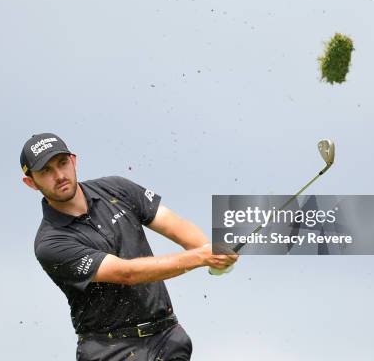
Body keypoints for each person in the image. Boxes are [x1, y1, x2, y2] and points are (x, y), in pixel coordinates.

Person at [20, 133, 238, 361]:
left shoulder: (116, 188)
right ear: (31, 182)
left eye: (63, 163)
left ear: (73, 160)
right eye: (46, 171)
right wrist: (201, 257)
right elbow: (126, 273)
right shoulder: (50, 243)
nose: (59, 175)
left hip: (167, 338)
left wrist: (215, 253)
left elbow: (175, 225)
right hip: (111, 350)